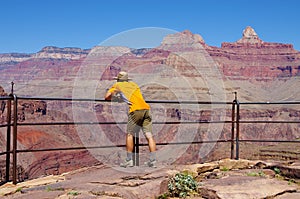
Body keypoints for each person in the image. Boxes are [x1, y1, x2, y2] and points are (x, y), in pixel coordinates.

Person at [105, 71, 157, 168]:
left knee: (130, 135)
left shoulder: (117, 85)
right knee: (149, 136)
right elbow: (133, 96)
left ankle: (129, 160)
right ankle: (153, 160)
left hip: (135, 110)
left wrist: (116, 96)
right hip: (146, 109)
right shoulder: (134, 84)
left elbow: (107, 97)